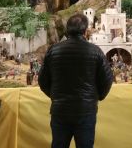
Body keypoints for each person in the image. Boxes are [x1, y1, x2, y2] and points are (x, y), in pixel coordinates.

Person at [39, 14, 113, 148]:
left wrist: (56, 96)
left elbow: (43, 80)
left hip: (60, 110)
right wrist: (96, 97)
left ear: (68, 30)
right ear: (85, 31)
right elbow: (107, 79)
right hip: (86, 110)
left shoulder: (53, 50)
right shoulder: (95, 51)